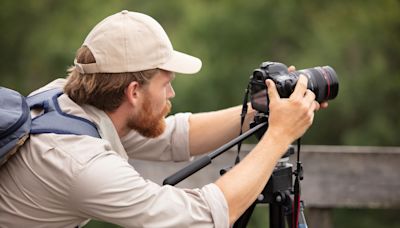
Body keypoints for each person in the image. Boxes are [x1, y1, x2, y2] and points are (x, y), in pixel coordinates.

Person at [0, 10, 326, 227]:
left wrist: (263, 108)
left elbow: (173, 135)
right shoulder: (82, 165)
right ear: (133, 92)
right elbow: (205, 217)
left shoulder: (64, 101)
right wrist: (279, 135)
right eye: (166, 83)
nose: (171, 94)